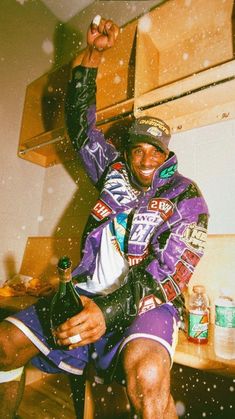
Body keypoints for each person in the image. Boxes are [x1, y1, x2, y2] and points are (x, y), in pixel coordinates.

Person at [0, 17, 209, 419]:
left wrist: (110, 311)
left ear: (167, 155)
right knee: (5, 344)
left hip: (148, 302)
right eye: (138, 150)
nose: (146, 159)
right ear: (127, 152)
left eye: (156, 151)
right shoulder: (112, 172)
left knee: (148, 377)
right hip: (83, 293)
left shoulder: (186, 196)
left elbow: (166, 275)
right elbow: (80, 127)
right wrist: (92, 56)